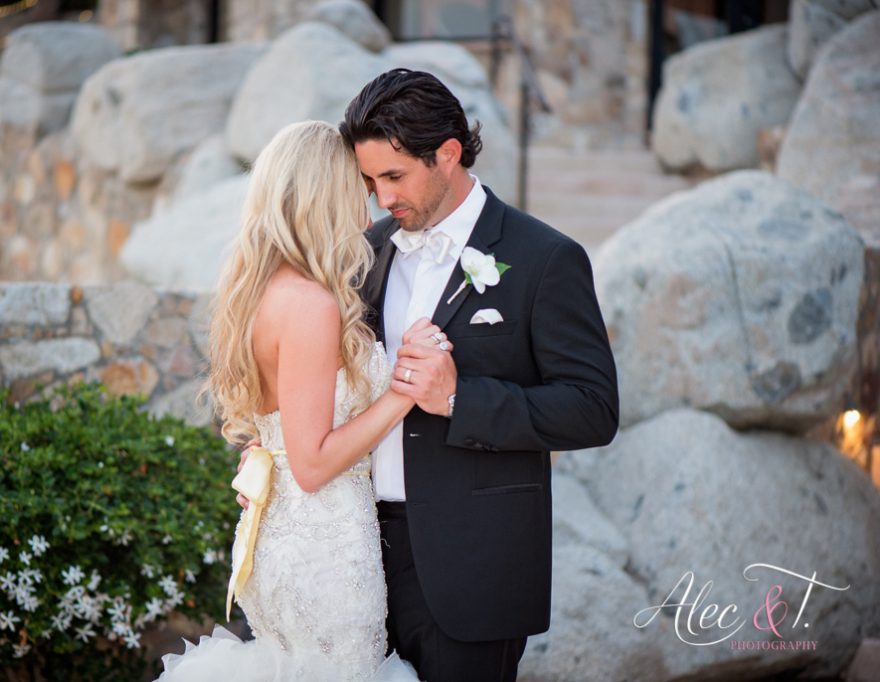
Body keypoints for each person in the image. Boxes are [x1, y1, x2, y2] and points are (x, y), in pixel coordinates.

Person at [333, 69, 620, 682]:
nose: (381, 198)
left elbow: (593, 409)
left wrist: (459, 399)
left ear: (447, 153)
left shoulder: (546, 258)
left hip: (475, 566)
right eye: (369, 180)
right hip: (355, 563)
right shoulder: (367, 251)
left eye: (394, 176)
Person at [155, 120, 425, 681]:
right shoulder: (310, 304)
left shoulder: (264, 292)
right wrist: (402, 393)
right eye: (357, 192)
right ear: (325, 197)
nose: (368, 212)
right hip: (324, 549)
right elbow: (313, 464)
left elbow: (283, 434)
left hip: (282, 533)